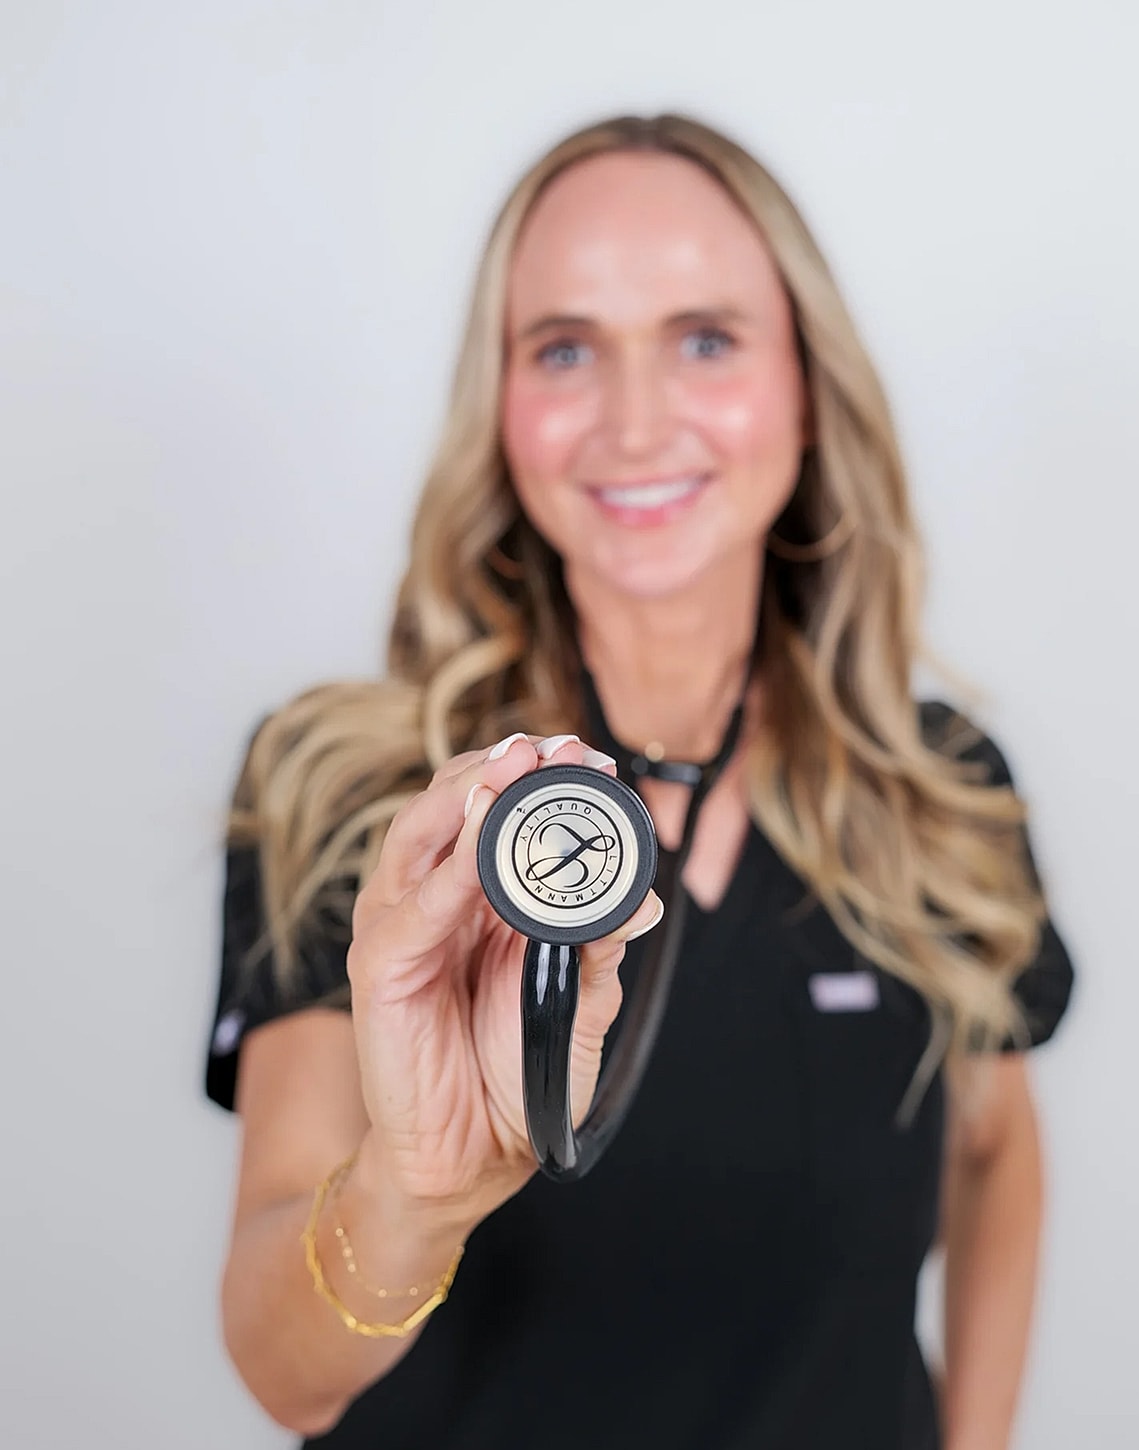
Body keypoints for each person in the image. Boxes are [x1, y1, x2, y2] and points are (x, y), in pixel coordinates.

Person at [204, 112, 1074, 1450]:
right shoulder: (357, 796)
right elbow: (285, 1373)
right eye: (564, 348)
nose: (636, 419)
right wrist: (412, 1191)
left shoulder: (940, 796)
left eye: (705, 338)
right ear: (499, 409)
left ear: (804, 385)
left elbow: (994, 1144)